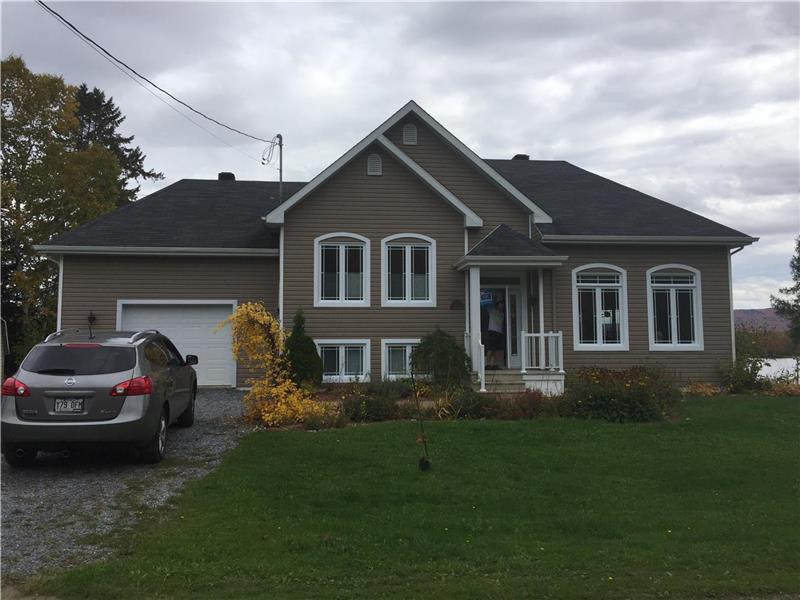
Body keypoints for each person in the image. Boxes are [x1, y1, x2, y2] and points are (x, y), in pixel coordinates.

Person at [486, 300, 505, 369]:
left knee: (497, 349)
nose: (501, 307)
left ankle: (495, 364)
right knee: (491, 349)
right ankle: (487, 364)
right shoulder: (491, 311)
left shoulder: (502, 314)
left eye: (502, 306)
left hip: (499, 333)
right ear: (496, 306)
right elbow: (487, 304)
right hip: (492, 332)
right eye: (500, 306)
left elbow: (499, 323)